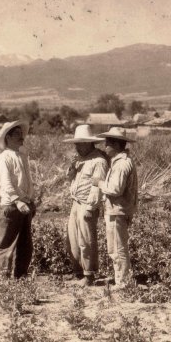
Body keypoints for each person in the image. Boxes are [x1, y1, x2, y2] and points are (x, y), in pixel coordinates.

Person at [61, 124, 107, 286]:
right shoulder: (80, 159)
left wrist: (91, 207)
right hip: (76, 202)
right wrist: (72, 168)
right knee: (72, 238)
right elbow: (70, 178)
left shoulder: (99, 161)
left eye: (80, 143)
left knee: (86, 240)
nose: (77, 147)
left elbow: (97, 186)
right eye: (76, 144)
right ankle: (78, 271)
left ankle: (89, 274)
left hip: (86, 203)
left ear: (89, 143)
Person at [93, 126, 138, 289]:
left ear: (116, 145)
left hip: (118, 210)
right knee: (117, 247)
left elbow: (115, 189)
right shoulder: (122, 162)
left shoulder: (121, 164)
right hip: (119, 209)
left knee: (117, 248)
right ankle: (121, 279)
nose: (105, 147)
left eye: (107, 144)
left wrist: (99, 183)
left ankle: (123, 282)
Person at [0, 120, 35, 279]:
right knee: (6, 244)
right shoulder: (3, 158)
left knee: (25, 243)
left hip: (24, 204)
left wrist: (30, 199)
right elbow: (6, 183)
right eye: (17, 134)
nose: (21, 137)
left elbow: (27, 181)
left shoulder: (22, 156)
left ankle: (21, 276)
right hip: (12, 205)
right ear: (8, 137)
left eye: (21, 134)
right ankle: (1, 278)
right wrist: (18, 201)